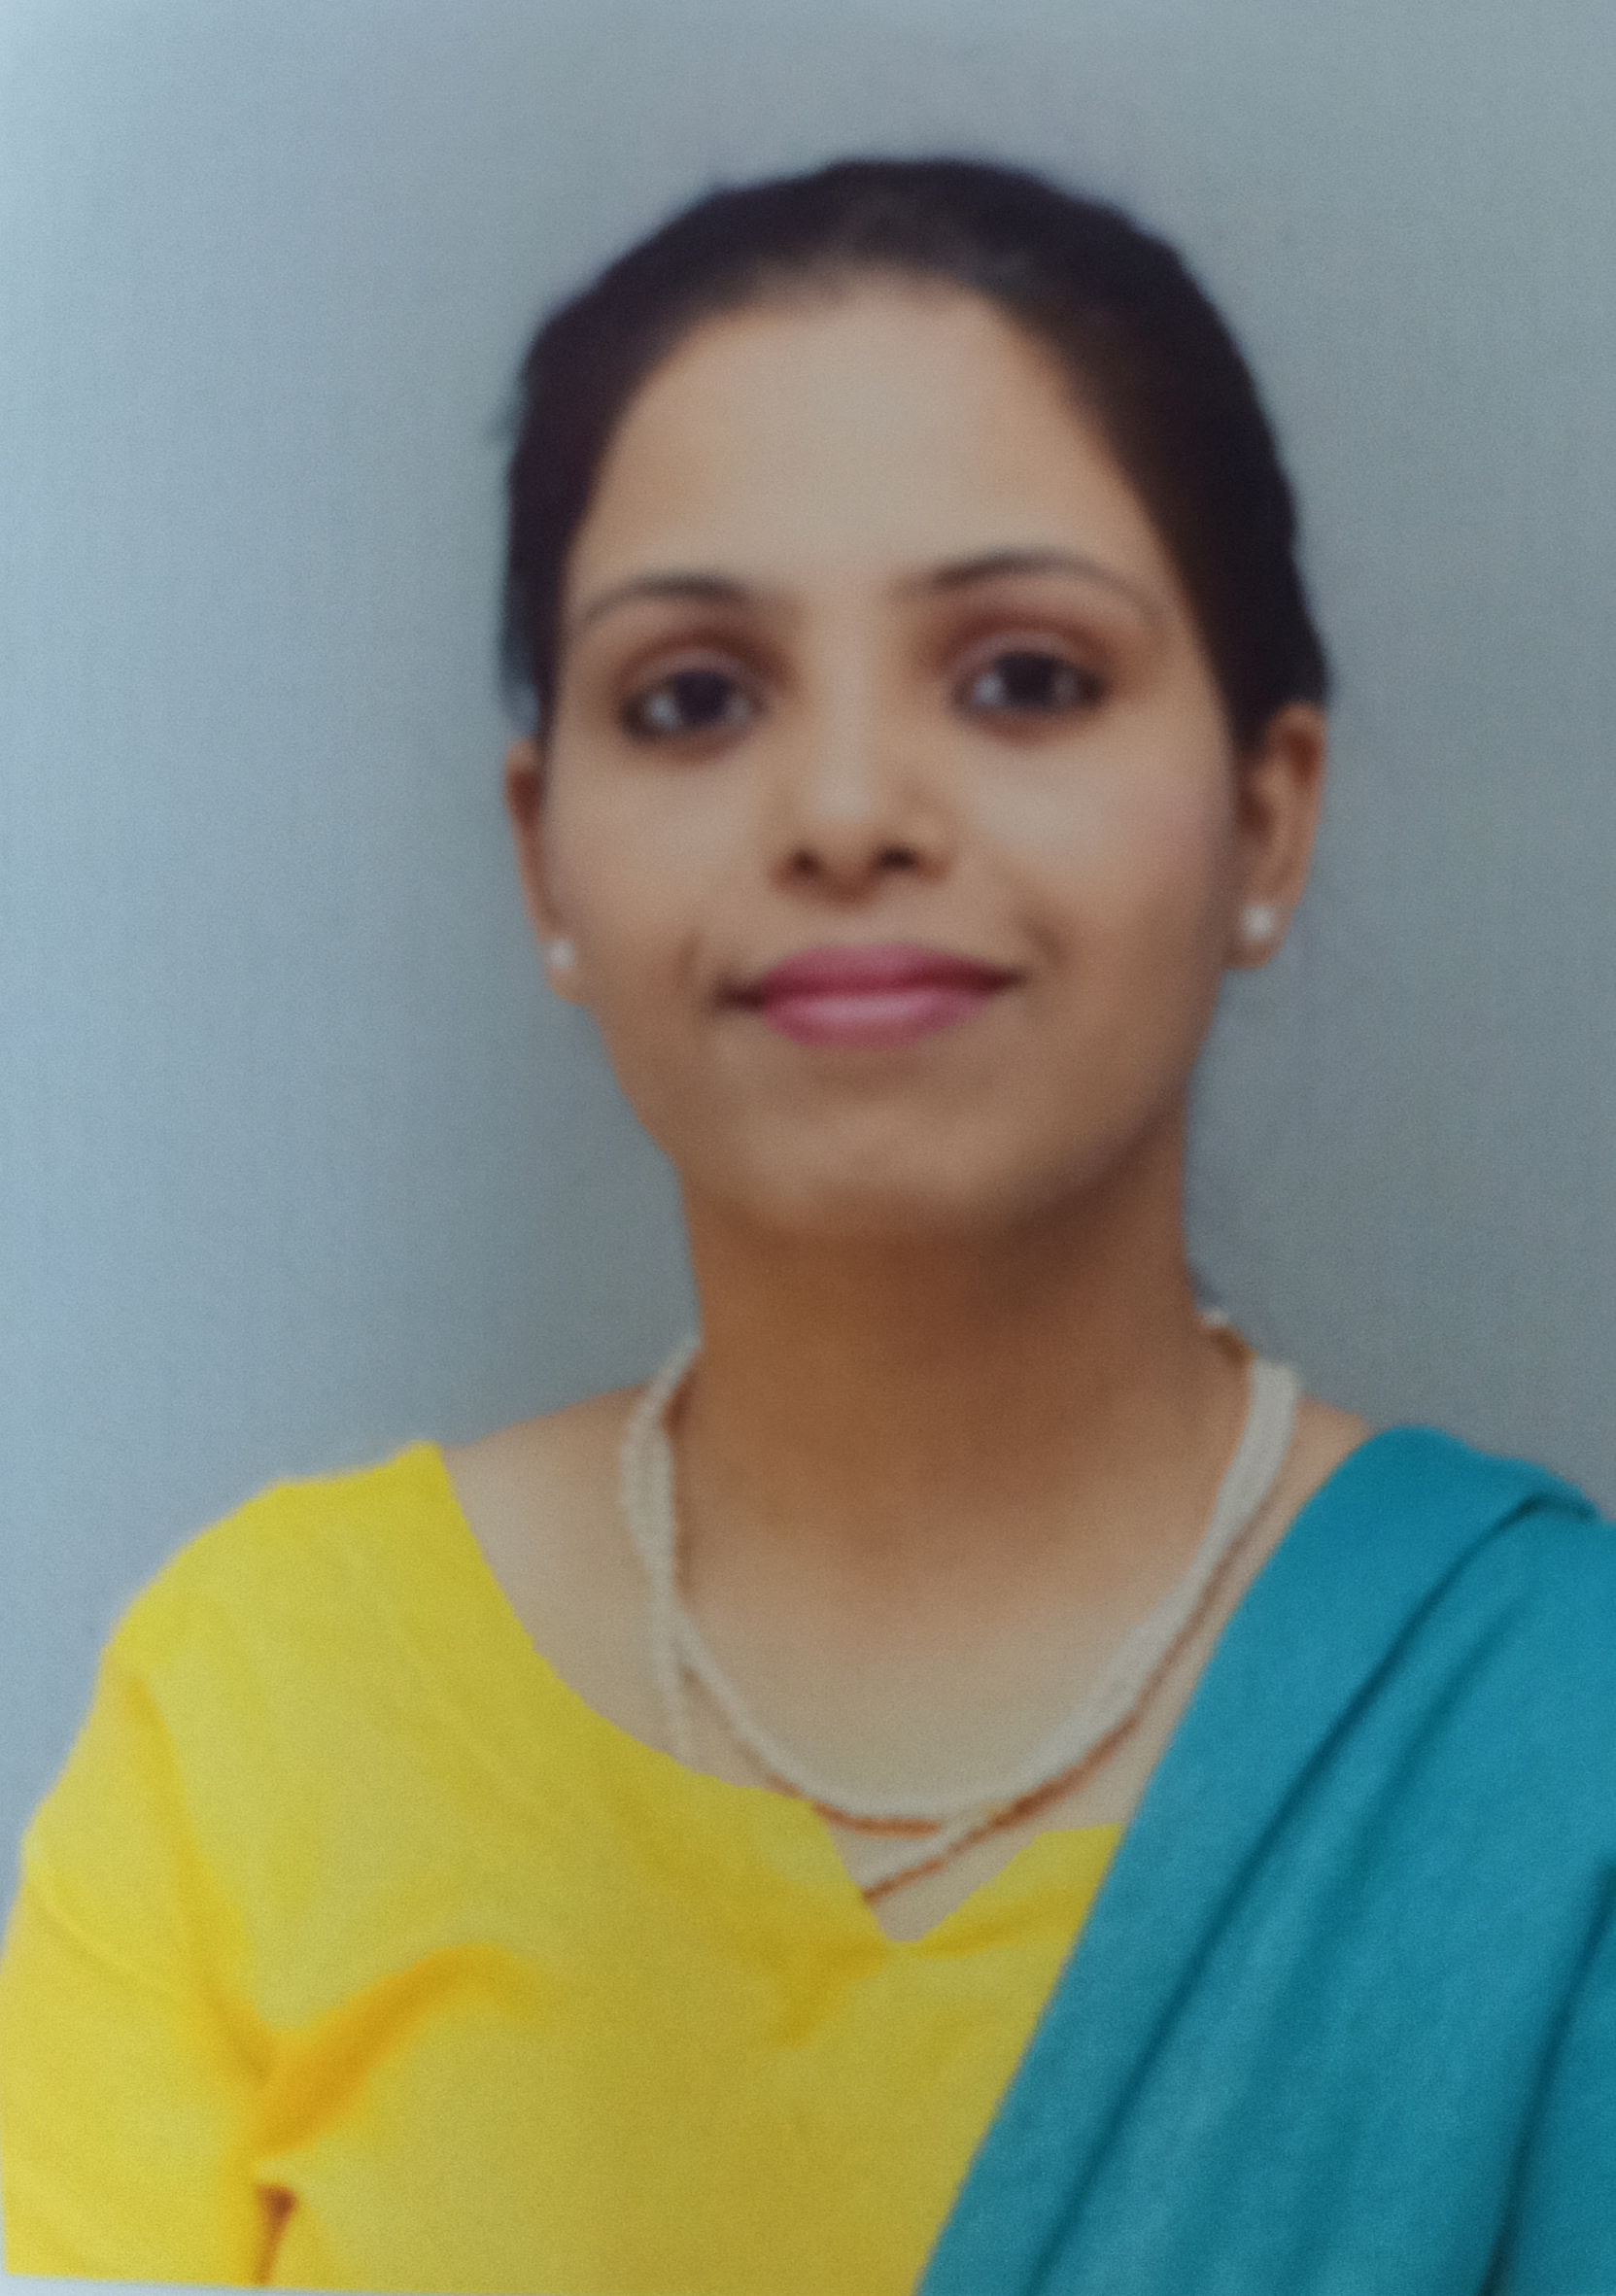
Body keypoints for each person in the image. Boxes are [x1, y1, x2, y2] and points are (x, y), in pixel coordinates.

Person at [1, 155, 1613, 2296]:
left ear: (1266, 814)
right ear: (545, 862)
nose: (847, 815)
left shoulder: (1553, 1754)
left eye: (1023, 677)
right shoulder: (262, 1718)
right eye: (692, 697)